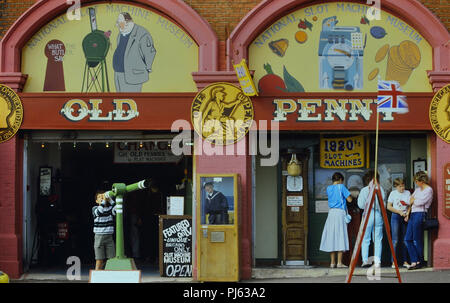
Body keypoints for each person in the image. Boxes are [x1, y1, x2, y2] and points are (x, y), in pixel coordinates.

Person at [113, 12, 156, 92]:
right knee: (120, 100)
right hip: (118, 74)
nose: (117, 25)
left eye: (119, 22)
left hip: (133, 76)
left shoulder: (141, 33)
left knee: (130, 99)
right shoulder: (121, 34)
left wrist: (147, 68)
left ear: (127, 22)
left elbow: (150, 52)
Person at [319, 172, 353, 268]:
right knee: (340, 236)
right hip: (340, 213)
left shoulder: (328, 188)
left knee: (331, 236)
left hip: (331, 214)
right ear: (341, 180)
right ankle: (339, 263)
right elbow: (349, 199)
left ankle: (332, 262)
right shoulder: (341, 187)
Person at [404, 171, 433, 270]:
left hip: (420, 213)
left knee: (417, 239)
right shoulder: (417, 190)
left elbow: (421, 202)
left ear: (421, 181)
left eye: (416, 181)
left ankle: (418, 261)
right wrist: (412, 202)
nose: (416, 183)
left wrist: (413, 200)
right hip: (413, 213)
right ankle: (415, 260)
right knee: (408, 239)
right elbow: (409, 200)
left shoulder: (428, 190)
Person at [357, 170, 386, 268]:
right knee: (378, 239)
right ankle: (377, 261)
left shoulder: (364, 190)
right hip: (377, 214)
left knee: (365, 239)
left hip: (367, 215)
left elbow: (360, 205)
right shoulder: (380, 188)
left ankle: (365, 260)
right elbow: (383, 203)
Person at [387, 177, 411, 268]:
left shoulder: (408, 193)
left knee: (405, 240)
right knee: (395, 240)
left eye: (403, 186)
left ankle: (405, 261)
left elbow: (409, 205)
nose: (402, 188)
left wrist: (407, 214)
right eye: (400, 186)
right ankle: (393, 261)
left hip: (405, 216)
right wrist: (399, 212)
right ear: (396, 186)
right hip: (396, 216)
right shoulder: (393, 193)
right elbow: (388, 206)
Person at [92, 191, 116, 270]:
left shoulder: (110, 209)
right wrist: (104, 201)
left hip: (109, 237)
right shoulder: (95, 209)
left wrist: (110, 200)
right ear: (96, 201)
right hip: (99, 237)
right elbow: (99, 212)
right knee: (99, 260)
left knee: (111, 259)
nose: (102, 198)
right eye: (100, 197)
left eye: (103, 196)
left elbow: (117, 210)